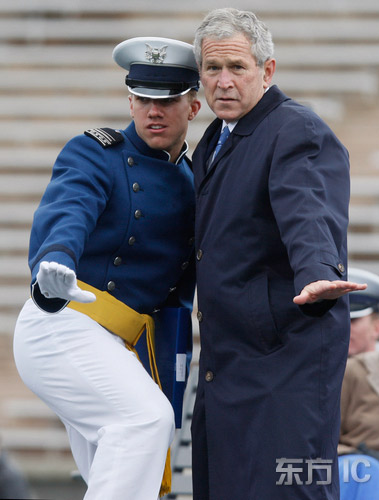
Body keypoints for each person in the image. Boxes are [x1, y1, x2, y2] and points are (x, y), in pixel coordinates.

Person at [13, 36, 201, 500]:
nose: (153, 111)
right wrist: (55, 260)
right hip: (65, 322)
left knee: (115, 469)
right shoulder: (97, 152)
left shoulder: (194, 176)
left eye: (168, 101)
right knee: (144, 421)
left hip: (125, 342)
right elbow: (69, 208)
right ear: (130, 100)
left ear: (193, 108)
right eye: (143, 99)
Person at [190, 8, 366, 500]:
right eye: (211, 69)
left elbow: (306, 208)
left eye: (237, 68)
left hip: (285, 361)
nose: (223, 82)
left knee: (291, 490)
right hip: (230, 361)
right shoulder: (214, 140)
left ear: (267, 72)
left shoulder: (295, 129)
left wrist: (317, 270)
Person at [339, 268, 379, 461]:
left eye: (354, 320)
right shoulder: (347, 373)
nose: (343, 327)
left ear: (377, 327)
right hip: (363, 481)